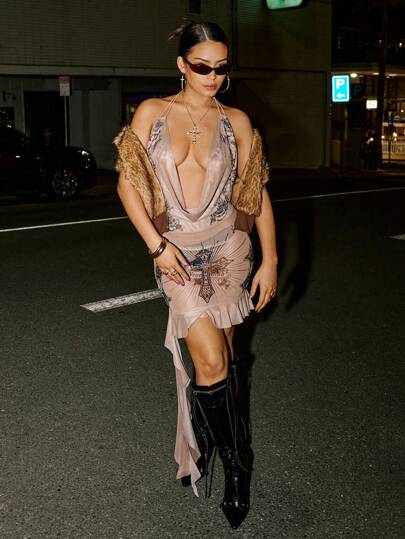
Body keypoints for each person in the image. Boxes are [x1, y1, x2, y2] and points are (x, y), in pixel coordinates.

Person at [115, 21, 277, 529]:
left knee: (224, 357)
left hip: (229, 249)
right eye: (203, 66)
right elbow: (127, 185)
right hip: (177, 254)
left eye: (222, 68)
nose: (213, 76)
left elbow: (255, 191)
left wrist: (270, 259)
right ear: (182, 65)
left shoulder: (237, 121)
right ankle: (239, 466)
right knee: (209, 359)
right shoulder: (153, 113)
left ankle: (211, 431)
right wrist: (156, 246)